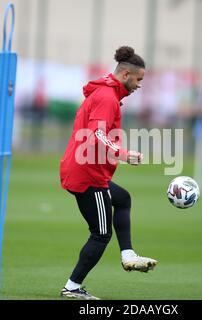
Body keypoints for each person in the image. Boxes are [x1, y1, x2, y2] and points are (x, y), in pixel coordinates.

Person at [59, 46, 157, 300]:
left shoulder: (106, 92)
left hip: (86, 169)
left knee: (123, 198)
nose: (139, 85)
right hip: (88, 175)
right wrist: (124, 154)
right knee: (101, 233)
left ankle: (127, 255)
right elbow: (98, 134)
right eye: (138, 79)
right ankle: (72, 287)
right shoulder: (107, 98)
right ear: (125, 74)